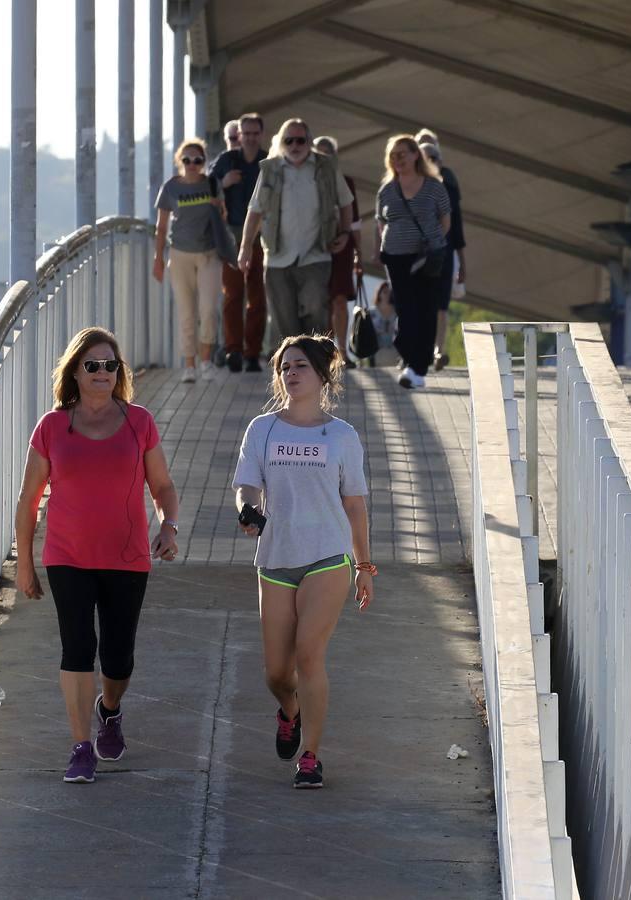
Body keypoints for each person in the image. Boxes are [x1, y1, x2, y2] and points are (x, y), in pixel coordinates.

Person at [15, 327, 182, 783]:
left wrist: (168, 526)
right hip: (67, 556)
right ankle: (80, 746)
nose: (103, 373)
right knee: (77, 649)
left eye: (111, 365)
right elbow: (28, 500)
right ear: (75, 372)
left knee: (118, 658)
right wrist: (26, 564)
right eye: (93, 365)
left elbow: (162, 485)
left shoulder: (139, 422)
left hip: (127, 557)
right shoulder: (53, 426)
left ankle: (109, 708)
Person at [232, 334, 374, 789]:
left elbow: (354, 505)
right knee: (277, 672)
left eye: (300, 366)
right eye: (285, 367)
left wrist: (363, 566)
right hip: (276, 558)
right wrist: (248, 508)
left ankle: (310, 756)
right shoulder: (262, 429)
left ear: (321, 376)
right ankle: (288, 711)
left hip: (328, 559)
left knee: (309, 655)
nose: (291, 373)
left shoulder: (342, 436)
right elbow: (247, 485)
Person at [238, 118, 354, 343]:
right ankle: (290, 373)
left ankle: (317, 366)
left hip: (316, 253)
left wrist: (346, 232)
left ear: (309, 142)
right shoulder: (270, 169)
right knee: (284, 322)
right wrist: (245, 248)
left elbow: (346, 201)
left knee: (316, 308)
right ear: (281, 142)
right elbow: (255, 211)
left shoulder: (326, 167)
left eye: (300, 140)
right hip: (277, 258)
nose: (295, 145)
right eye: (288, 140)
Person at [372, 135, 451, 390]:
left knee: (427, 308)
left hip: (427, 256)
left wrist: (431, 242)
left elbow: (445, 221)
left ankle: (418, 367)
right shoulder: (386, 190)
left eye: (402, 154)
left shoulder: (434, 187)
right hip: (396, 257)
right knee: (406, 309)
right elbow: (380, 223)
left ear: (416, 154)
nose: (398, 160)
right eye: (393, 156)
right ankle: (408, 358)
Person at [154, 138, 225, 382]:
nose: (192, 164)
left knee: (208, 309)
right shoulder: (170, 188)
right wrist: (158, 259)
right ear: (179, 162)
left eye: (198, 160)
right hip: (180, 254)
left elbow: (223, 221)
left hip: (209, 253)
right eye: (187, 160)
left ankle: (206, 360)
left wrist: (218, 206)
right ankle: (189, 364)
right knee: (186, 312)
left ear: (204, 162)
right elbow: (161, 227)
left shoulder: (213, 184)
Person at [210, 112, 269, 373]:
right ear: (239, 136)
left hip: (262, 236)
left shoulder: (269, 162)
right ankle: (233, 349)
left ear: (261, 135)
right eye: (246, 134)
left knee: (258, 297)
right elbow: (206, 189)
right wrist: (224, 183)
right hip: (232, 235)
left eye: (256, 133)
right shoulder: (226, 160)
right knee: (233, 294)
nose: (250, 138)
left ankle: (252, 353)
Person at [415, 130, 467, 371]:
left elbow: (456, 224)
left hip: (444, 252)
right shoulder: (406, 183)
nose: (431, 163)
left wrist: (462, 260)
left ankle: (438, 350)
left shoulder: (448, 183)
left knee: (441, 304)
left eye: (434, 157)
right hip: (415, 253)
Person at [313, 135, 361, 367]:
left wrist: (359, 254)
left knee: (339, 300)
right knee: (319, 301)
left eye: (327, 154)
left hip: (341, 248)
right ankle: (320, 351)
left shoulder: (346, 182)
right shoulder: (307, 182)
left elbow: (355, 223)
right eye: (319, 154)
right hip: (314, 247)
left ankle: (341, 351)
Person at [367, 280, 398, 367]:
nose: (387, 294)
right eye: (385, 292)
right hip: (376, 352)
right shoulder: (371, 312)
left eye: (390, 292)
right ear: (379, 293)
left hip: (395, 351)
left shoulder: (398, 311)